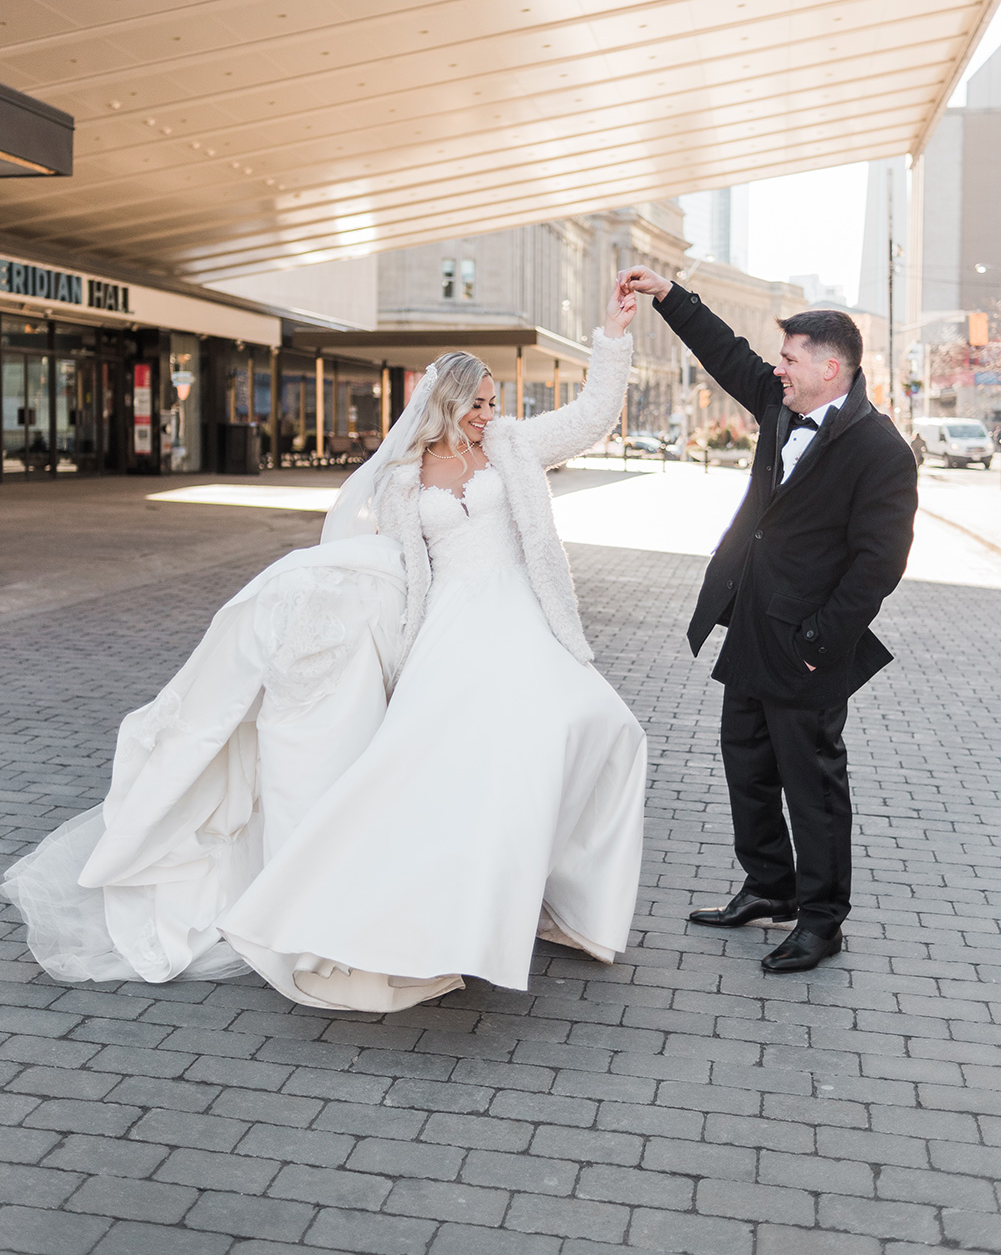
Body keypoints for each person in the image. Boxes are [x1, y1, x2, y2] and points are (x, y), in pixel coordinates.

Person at [2, 283, 646, 1013]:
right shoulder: (403, 482)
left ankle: (567, 898)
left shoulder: (515, 448)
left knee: (602, 727)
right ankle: (441, 913)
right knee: (465, 770)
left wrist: (613, 335)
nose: (488, 415)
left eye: (493, 403)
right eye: (477, 404)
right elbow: (393, 565)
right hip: (451, 633)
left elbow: (593, 416)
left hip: (526, 622)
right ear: (442, 406)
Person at [620, 266, 918, 973]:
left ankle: (820, 921)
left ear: (829, 365)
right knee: (746, 766)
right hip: (752, 624)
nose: (776, 368)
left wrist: (821, 639)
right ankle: (766, 887)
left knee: (811, 785)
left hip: (809, 646)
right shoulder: (778, 405)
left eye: (789, 358)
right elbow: (724, 353)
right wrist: (669, 296)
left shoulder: (880, 449)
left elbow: (879, 564)